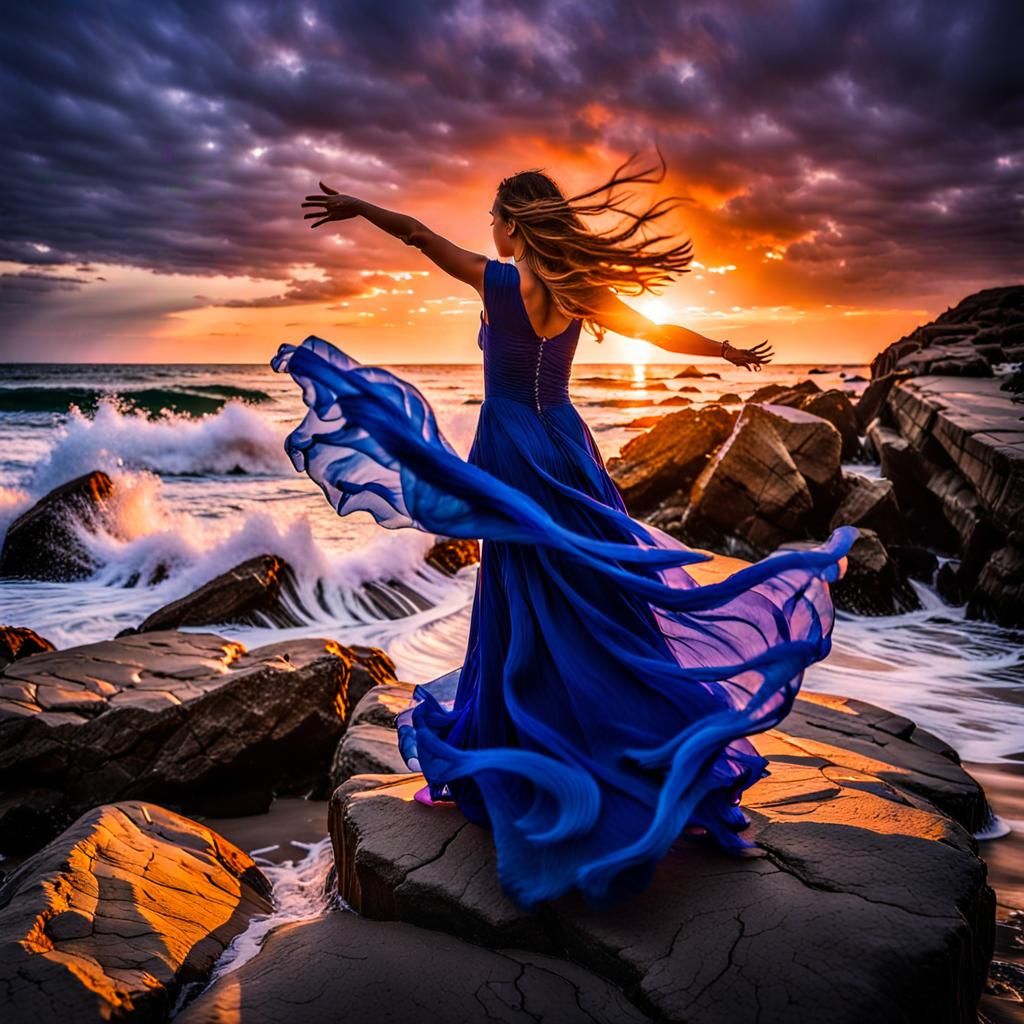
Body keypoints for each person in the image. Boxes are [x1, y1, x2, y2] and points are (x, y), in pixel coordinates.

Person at [275, 150, 857, 912]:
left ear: (514, 226)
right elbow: (656, 331)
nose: (489, 230)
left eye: (494, 220)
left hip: (513, 447)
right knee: (591, 592)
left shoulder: (497, 279)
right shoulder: (578, 291)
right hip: (567, 444)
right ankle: (619, 736)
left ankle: (515, 753)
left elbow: (418, 234)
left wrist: (358, 207)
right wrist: (723, 350)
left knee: (520, 592)